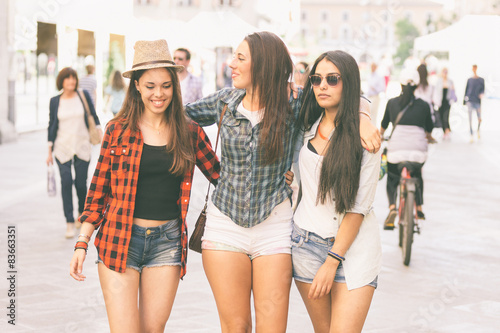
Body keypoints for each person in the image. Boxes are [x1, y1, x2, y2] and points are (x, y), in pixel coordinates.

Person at [184, 31, 380, 332]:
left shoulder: (295, 103)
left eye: (240, 57)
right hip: (225, 222)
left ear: (262, 65)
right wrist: (214, 169)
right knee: (235, 326)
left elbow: (347, 95)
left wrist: (363, 117)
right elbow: (180, 118)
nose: (231, 64)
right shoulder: (225, 101)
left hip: (274, 225)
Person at [69, 39, 220, 332]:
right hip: (119, 239)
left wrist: (279, 174)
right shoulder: (118, 130)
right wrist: (82, 242)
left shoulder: (188, 131)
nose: (159, 93)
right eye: (150, 86)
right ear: (137, 85)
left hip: (167, 244)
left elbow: (221, 175)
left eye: (166, 85)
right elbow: (98, 192)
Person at [291, 50, 381, 333]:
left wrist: (333, 260)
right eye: (316, 79)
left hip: (355, 250)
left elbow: (359, 207)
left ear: (349, 83)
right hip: (305, 244)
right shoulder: (305, 126)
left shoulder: (365, 137)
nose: (322, 86)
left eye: (332, 79)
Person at [47, 67, 101, 238]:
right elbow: (52, 124)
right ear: (61, 81)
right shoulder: (55, 101)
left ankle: (81, 214)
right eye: (67, 78)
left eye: (73, 78)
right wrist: (49, 150)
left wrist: (100, 132)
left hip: (82, 145)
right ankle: (69, 222)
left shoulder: (83, 95)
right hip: (62, 146)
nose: (71, 81)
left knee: (80, 183)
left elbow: (93, 115)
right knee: (66, 181)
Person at [381, 68, 434, 230]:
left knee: (392, 177)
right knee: (417, 174)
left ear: (401, 84)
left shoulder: (391, 103)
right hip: (418, 152)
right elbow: (429, 129)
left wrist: (381, 137)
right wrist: (430, 138)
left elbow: (382, 127)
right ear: (416, 85)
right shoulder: (424, 105)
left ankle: (392, 207)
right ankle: (418, 207)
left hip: (396, 151)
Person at [432, 67, 457, 140]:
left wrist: (453, 99)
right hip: (440, 102)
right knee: (441, 116)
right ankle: (445, 130)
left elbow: (453, 91)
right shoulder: (439, 81)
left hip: (447, 101)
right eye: (444, 72)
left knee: (446, 116)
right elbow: (436, 92)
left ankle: (447, 131)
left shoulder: (450, 81)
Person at [464, 64, 485, 142]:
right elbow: (466, 90)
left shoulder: (481, 80)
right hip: (470, 100)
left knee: (479, 117)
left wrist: (482, 94)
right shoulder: (469, 80)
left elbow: (483, 89)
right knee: (470, 118)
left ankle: (478, 130)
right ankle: (471, 134)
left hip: (477, 101)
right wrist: (465, 101)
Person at [366, 62, 386, 126]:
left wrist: (374, 88)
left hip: (375, 96)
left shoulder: (379, 76)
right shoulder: (369, 75)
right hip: (369, 96)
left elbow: (383, 88)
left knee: (373, 114)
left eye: (374, 67)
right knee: (368, 114)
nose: (372, 68)